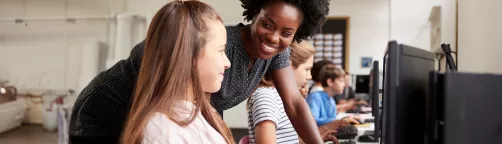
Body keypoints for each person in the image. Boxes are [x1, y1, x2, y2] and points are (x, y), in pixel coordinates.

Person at [69, 0, 330, 143]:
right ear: (255, 14)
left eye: (286, 33)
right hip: (107, 108)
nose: (273, 38)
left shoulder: (275, 52)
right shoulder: (218, 42)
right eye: (267, 24)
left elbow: (294, 103)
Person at [118, 1, 233, 144]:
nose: (227, 63)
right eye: (221, 51)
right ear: (190, 55)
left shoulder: (199, 116)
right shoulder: (162, 132)